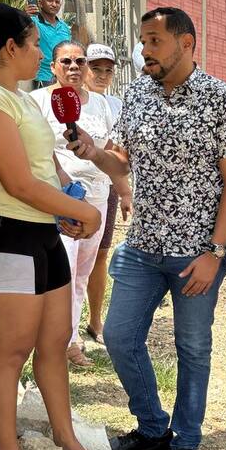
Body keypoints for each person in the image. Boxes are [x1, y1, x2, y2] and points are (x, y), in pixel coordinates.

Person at [69, 8, 226, 450]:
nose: (143, 50)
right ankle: (153, 428)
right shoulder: (138, 95)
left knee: (194, 351)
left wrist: (215, 252)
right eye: (141, 40)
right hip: (143, 246)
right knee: (122, 337)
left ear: (185, 43)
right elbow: (120, 161)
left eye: (153, 40)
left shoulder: (222, 101)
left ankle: (186, 448)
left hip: (197, 253)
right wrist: (92, 152)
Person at [0, 4, 106, 450]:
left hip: (40, 233)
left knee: (52, 342)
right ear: (11, 48)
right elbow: (16, 183)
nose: (43, 52)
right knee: (12, 351)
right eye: (35, 43)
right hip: (5, 235)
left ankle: (65, 437)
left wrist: (71, 196)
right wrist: (82, 213)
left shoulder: (17, 99)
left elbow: (42, 168)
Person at [29, 43, 116, 367]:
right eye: (66, 61)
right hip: (58, 198)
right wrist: (62, 179)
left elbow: (111, 152)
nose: (74, 67)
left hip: (97, 197)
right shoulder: (37, 101)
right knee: (61, 268)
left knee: (82, 272)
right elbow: (34, 150)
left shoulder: (102, 105)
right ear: (53, 67)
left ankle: (70, 338)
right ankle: (55, 341)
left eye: (80, 61)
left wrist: (121, 190)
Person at [80, 43, 131, 345]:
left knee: (100, 255)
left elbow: (119, 155)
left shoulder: (116, 105)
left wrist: (124, 192)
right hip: (72, 189)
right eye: (95, 69)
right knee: (69, 259)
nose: (101, 75)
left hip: (106, 188)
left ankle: (95, 318)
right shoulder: (69, 100)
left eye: (107, 71)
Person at [30, 0, 73, 89]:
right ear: (40, 3)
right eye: (50, 1)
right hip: (42, 78)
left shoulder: (64, 27)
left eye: (57, 2)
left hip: (63, 77)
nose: (54, 4)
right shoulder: (33, 23)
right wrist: (24, 14)